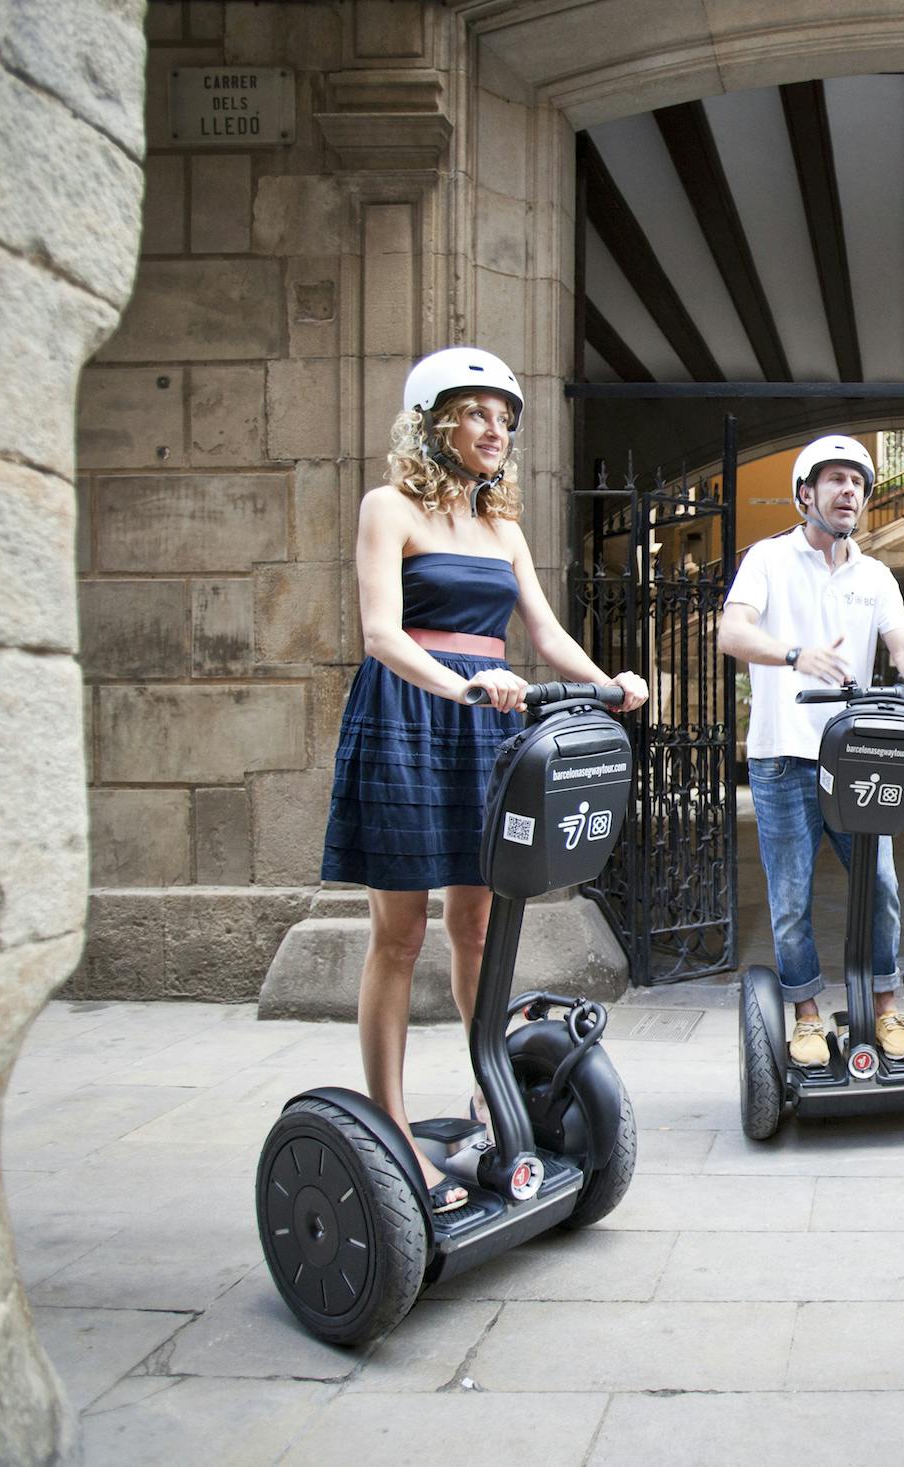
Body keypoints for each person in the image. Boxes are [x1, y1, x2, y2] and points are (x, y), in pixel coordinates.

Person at [322, 346, 649, 1213]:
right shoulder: (387, 508)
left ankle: (487, 1086)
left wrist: (610, 682)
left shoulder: (504, 530)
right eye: (476, 413)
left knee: (476, 925)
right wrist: (462, 681)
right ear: (433, 422)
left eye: (504, 418)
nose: (495, 430)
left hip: (488, 725)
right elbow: (382, 634)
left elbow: (543, 634)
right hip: (409, 715)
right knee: (398, 935)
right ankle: (391, 1124)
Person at [716, 434, 904, 1067]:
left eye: (858, 482)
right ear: (807, 493)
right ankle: (805, 1015)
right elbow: (732, 632)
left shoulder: (873, 574)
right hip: (781, 756)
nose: (849, 491)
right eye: (836, 480)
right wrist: (796, 654)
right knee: (791, 898)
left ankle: (884, 1005)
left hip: (857, 757)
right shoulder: (769, 560)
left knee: (880, 886)